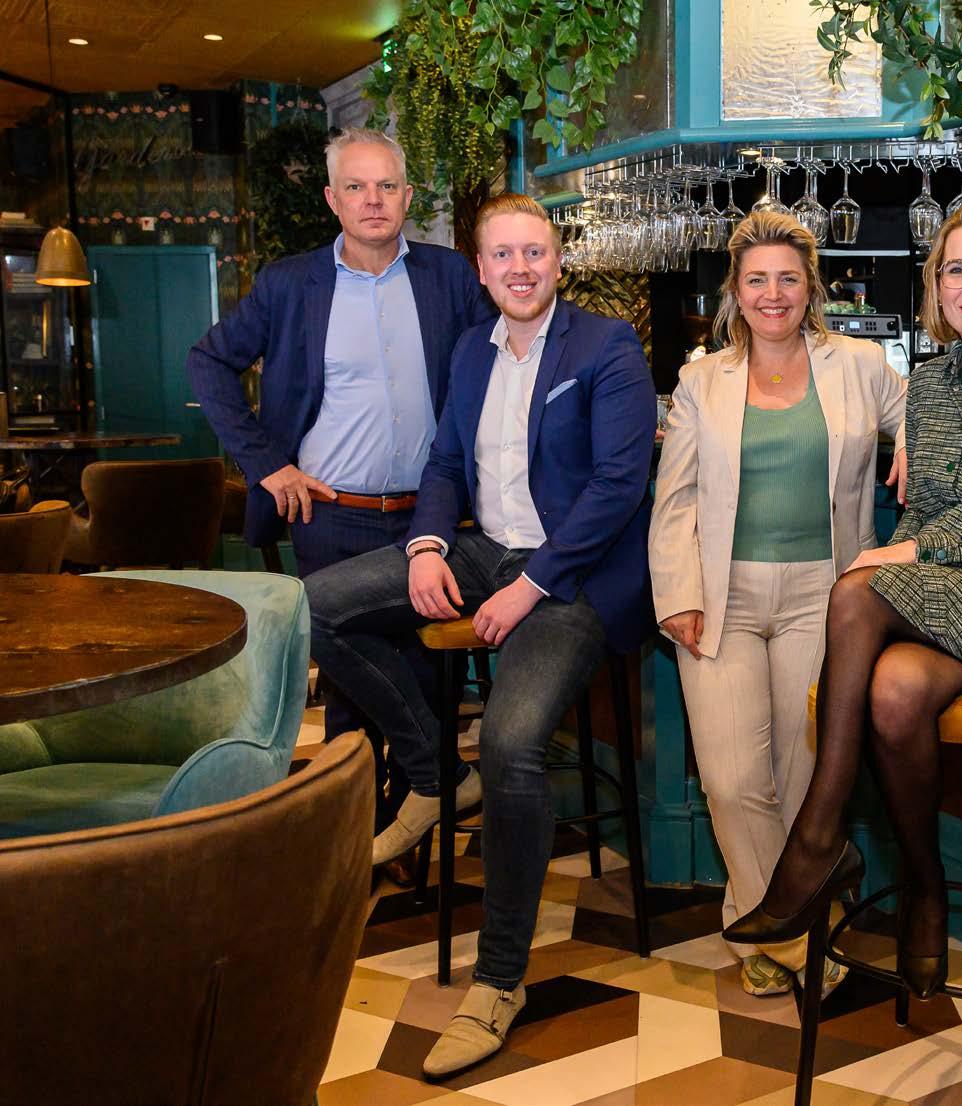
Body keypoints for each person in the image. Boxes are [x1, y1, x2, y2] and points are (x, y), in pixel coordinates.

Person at [304, 192, 656, 1076]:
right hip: (481, 550)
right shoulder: (470, 350)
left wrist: (531, 587)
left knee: (510, 743)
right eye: (503, 255)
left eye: (534, 252)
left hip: (572, 576)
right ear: (481, 268)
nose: (520, 269)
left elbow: (619, 486)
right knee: (314, 607)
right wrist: (427, 545)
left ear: (559, 259)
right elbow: (445, 464)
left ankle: (499, 980)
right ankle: (436, 773)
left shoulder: (606, 345)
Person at [724, 205, 962, 1002]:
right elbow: (921, 513)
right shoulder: (926, 386)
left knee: (856, 589)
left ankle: (817, 836)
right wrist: (913, 543)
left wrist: (916, 552)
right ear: (935, 285)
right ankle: (927, 888)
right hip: (953, 601)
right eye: (956, 269)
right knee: (894, 691)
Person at [187, 127, 494, 823]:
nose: (373, 200)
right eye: (356, 186)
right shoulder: (290, 283)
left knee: (425, 678)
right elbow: (208, 362)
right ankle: (356, 839)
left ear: (408, 196)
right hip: (330, 516)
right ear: (333, 199)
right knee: (353, 696)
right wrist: (268, 466)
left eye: (387, 185)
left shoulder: (450, 277)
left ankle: (414, 822)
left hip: (432, 519)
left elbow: (502, 360)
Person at [649, 211, 907, 998]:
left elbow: (929, 416)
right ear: (735, 290)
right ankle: (794, 934)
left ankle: (760, 922)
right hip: (718, 595)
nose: (773, 294)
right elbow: (675, 498)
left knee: (804, 780)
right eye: (757, 279)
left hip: (825, 598)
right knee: (732, 781)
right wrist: (677, 594)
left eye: (788, 278)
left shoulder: (859, 365)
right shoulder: (702, 380)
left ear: (811, 287)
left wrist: (915, 442)